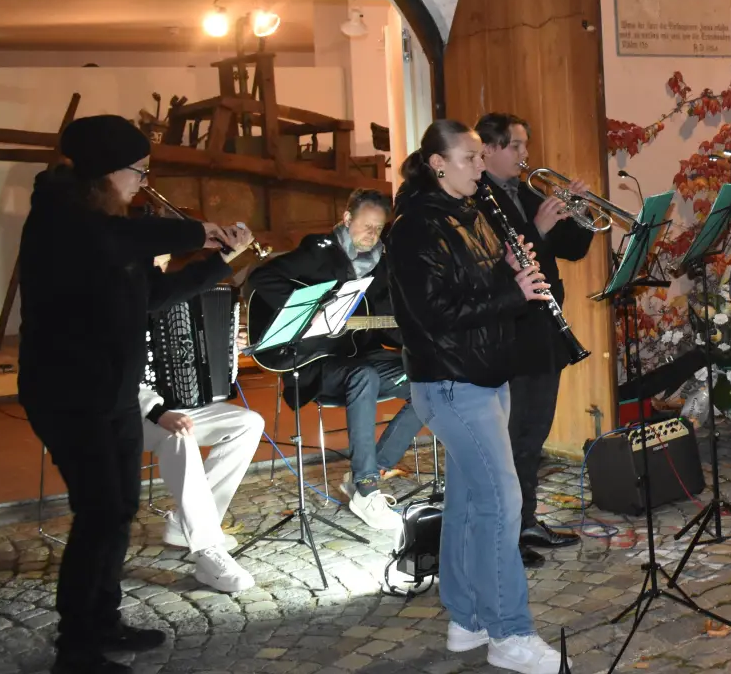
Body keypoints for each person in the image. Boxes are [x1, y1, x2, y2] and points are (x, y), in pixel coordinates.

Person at [17, 114, 249, 674]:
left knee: (118, 511)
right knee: (97, 514)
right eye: (138, 173)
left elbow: (155, 294)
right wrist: (197, 230)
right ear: (104, 171)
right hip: (69, 393)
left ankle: (104, 620)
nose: (143, 184)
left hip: (114, 392)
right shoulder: (59, 218)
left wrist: (218, 261)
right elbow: (110, 243)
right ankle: (76, 649)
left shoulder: (111, 221)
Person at [385, 120, 563, 673]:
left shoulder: (475, 211)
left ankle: (466, 620)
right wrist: (510, 291)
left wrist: (510, 271)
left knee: (466, 506)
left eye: (482, 158)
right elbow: (434, 316)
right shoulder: (414, 228)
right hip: (450, 382)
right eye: (470, 158)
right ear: (438, 163)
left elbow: (474, 287)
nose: (481, 167)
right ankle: (510, 634)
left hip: (485, 375)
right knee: (502, 504)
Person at [247, 189, 418, 533]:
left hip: (356, 357)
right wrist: (314, 309)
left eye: (378, 228)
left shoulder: (383, 265)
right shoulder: (318, 253)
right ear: (346, 219)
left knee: (427, 378)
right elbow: (260, 279)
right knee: (365, 375)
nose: (371, 235)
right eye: (365, 226)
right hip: (313, 360)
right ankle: (367, 491)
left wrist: (420, 335)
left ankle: (367, 474)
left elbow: (384, 324)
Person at [475, 112, 595, 565]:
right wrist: (539, 229)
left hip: (545, 325)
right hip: (511, 331)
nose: (527, 155)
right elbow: (502, 259)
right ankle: (506, 534)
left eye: (525, 145)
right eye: (517, 146)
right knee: (512, 438)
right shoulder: (479, 199)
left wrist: (577, 214)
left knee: (534, 435)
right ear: (488, 150)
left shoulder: (525, 192)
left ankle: (525, 519)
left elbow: (572, 249)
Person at [141, 253, 261, 594]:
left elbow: (200, 355)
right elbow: (111, 376)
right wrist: (157, 411)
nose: (162, 267)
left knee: (248, 422)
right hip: (126, 412)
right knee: (178, 435)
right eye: (157, 259)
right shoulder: (119, 298)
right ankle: (208, 549)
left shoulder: (178, 295)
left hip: (181, 406)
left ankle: (186, 523)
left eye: (165, 259)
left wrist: (231, 349)